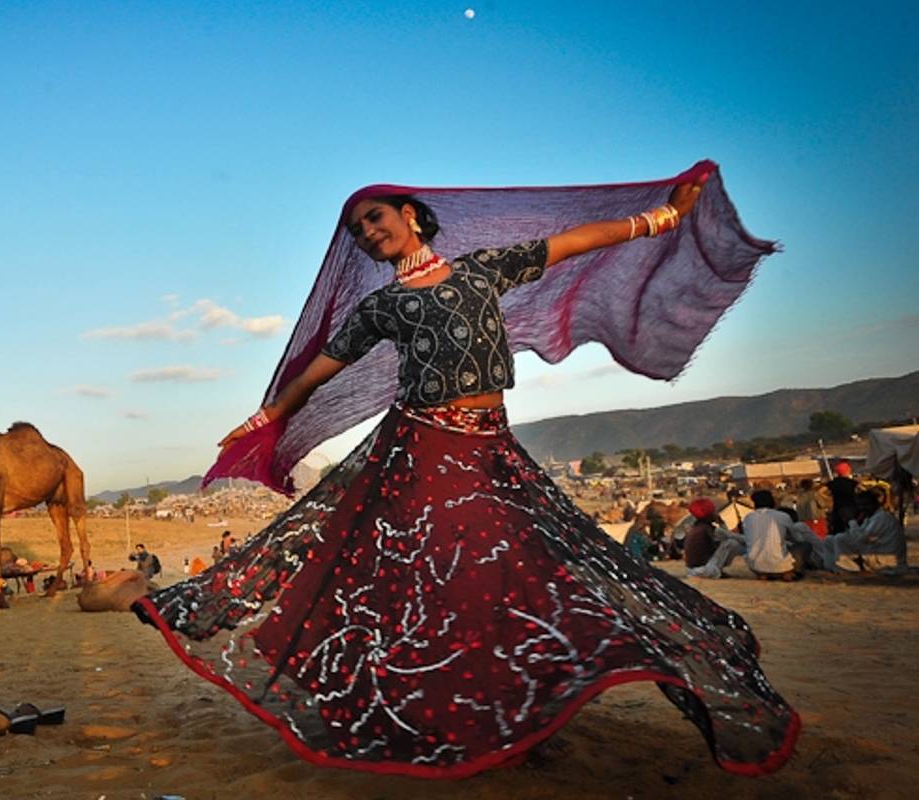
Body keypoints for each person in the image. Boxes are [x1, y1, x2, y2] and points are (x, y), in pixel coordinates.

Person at [133, 168, 799, 778]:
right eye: (358, 229)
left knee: (519, 576)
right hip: (424, 451)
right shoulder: (381, 310)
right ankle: (453, 716)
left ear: (413, 217)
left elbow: (571, 242)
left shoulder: (483, 271)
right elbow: (318, 371)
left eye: (375, 217)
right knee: (453, 581)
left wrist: (661, 220)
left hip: (492, 449)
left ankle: (509, 714)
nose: (368, 232)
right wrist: (267, 416)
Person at [740, 490, 819, 579]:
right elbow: (797, 539)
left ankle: (763, 574)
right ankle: (791, 573)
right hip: (780, 565)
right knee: (805, 545)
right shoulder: (783, 516)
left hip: (754, 566)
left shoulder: (748, 518)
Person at [824, 490, 906, 570]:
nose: (862, 508)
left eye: (865, 505)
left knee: (840, 538)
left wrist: (851, 520)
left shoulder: (882, 518)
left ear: (874, 504)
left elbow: (861, 539)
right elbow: (856, 535)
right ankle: (834, 567)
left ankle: (848, 568)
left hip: (887, 558)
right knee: (829, 540)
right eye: (860, 505)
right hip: (874, 550)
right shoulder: (870, 517)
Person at [683, 498, 745, 579]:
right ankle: (716, 571)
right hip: (704, 570)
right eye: (714, 511)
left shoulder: (696, 528)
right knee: (732, 543)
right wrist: (721, 522)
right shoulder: (711, 530)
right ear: (709, 514)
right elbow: (733, 536)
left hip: (691, 569)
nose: (716, 513)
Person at [826, 461, 859, 534]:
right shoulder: (852, 483)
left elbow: (820, 491)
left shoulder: (833, 483)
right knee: (852, 530)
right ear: (847, 471)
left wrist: (827, 499)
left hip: (837, 509)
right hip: (851, 508)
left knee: (839, 531)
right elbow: (862, 490)